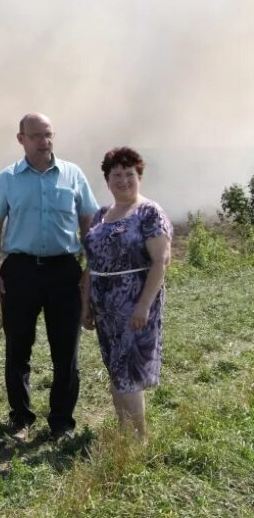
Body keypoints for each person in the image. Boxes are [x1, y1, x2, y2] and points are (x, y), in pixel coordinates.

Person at [0, 113, 99, 443]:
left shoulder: (73, 175)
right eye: (36, 136)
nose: (44, 141)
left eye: (48, 135)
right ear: (21, 139)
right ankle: (21, 420)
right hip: (20, 271)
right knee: (18, 350)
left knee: (67, 353)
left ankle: (61, 422)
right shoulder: (8, 178)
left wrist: (90, 271)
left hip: (64, 272)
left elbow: (89, 222)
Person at [81, 147, 172, 439]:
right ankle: (124, 433)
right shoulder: (99, 215)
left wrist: (143, 305)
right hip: (104, 307)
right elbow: (90, 265)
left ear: (139, 177)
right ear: (107, 180)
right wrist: (86, 306)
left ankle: (139, 437)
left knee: (127, 370)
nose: (123, 180)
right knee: (115, 368)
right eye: (116, 175)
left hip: (135, 305)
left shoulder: (149, 212)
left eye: (129, 174)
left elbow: (161, 261)